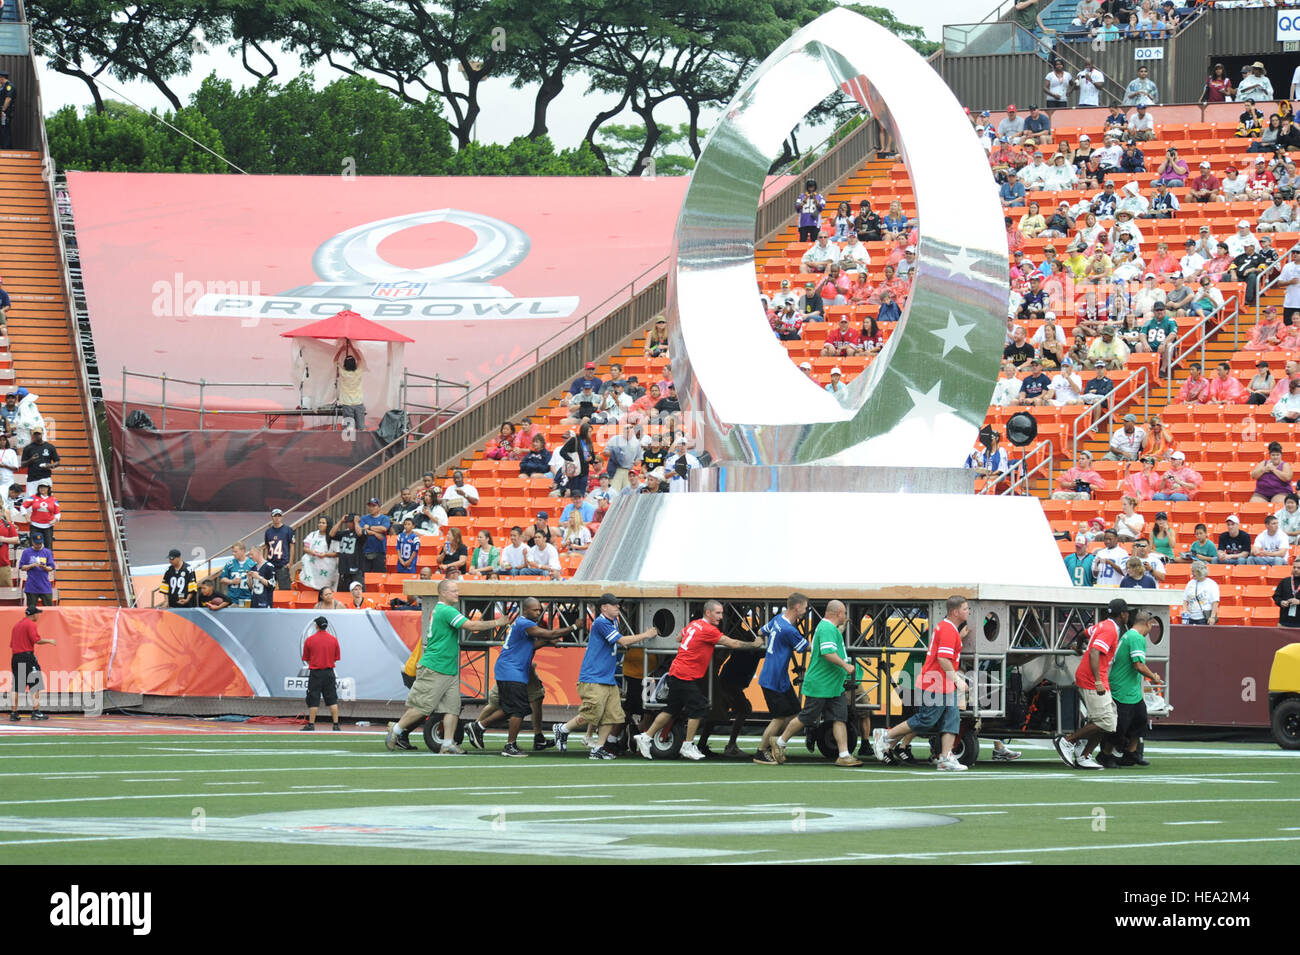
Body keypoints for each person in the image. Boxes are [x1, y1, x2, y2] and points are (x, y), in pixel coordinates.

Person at [385, 579, 508, 753]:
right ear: (443, 593)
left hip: (447, 668)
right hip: (436, 666)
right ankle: (396, 730)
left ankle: (447, 743)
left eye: (457, 590)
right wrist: (498, 622)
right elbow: (471, 625)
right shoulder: (446, 610)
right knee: (422, 707)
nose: (457, 593)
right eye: (453, 591)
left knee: (452, 707)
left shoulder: (443, 610)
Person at [633, 601, 763, 762]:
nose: (721, 617)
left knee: (670, 710)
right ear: (708, 613)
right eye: (718, 613)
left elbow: (678, 638)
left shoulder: (694, 624)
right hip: (685, 674)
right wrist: (754, 644)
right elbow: (733, 643)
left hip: (676, 671)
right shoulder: (709, 630)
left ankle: (646, 737)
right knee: (699, 707)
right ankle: (687, 745)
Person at [870, 595, 971, 772]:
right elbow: (943, 659)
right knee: (926, 719)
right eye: (965, 609)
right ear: (955, 612)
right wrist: (958, 679)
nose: (968, 612)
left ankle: (945, 757)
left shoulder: (948, 628)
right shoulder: (947, 629)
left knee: (951, 720)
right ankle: (885, 735)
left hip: (942, 683)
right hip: (935, 682)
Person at [554, 593, 657, 760]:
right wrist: (646, 635)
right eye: (614, 604)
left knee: (613, 714)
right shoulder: (601, 622)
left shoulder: (613, 621)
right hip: (594, 676)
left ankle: (599, 748)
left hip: (606, 677)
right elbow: (622, 641)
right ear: (604, 607)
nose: (618, 607)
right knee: (592, 712)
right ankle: (563, 729)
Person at [469, 597, 574, 757]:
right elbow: (550, 632)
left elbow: (530, 645)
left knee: (510, 708)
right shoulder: (525, 623)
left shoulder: (521, 623)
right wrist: (574, 626)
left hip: (510, 670)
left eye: (540, 609)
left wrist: (546, 642)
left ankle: (479, 727)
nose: (539, 612)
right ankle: (508, 745)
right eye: (535, 609)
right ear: (525, 610)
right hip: (511, 671)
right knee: (518, 708)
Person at [769, 599, 860, 767]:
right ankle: (779, 742)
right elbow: (827, 653)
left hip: (832, 684)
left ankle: (844, 754)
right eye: (844, 613)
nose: (845, 616)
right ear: (838, 613)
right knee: (807, 716)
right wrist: (846, 665)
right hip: (821, 684)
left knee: (840, 717)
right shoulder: (826, 628)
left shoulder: (827, 628)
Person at [1054, 597, 1127, 770]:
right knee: (1106, 722)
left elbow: (1083, 634)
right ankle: (1067, 741)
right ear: (1123, 614)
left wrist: (1078, 647)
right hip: (1093, 680)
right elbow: (1094, 653)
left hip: (1093, 679)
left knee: (1109, 721)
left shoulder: (1102, 625)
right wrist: (1098, 681)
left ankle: (1084, 755)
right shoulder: (1110, 630)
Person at [1105, 610, 1161, 767]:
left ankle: (1131, 753)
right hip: (1123, 690)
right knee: (1120, 726)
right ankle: (1105, 754)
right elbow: (1138, 665)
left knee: (1140, 720)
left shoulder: (1128, 635)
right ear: (1148, 624)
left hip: (1131, 690)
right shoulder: (1136, 638)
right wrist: (1154, 677)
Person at [9, 606, 54, 721]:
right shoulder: (30, 624)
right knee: (35, 684)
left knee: (16, 686)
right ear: (33, 615)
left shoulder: (17, 625)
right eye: (37, 614)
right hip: (27, 657)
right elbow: (36, 640)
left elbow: (12, 644)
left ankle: (14, 713)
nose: (38, 616)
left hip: (16, 657)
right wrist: (50, 641)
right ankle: (36, 711)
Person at [300, 616, 341, 732]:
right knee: (332, 699)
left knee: (313, 699)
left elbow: (306, 658)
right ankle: (336, 724)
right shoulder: (333, 640)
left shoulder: (310, 640)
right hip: (329, 673)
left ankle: (311, 724)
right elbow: (336, 658)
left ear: (316, 626)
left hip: (316, 673)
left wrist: (315, 662)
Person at [299, 515, 339, 590]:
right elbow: (305, 548)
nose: (320, 524)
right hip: (314, 567)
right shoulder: (313, 534)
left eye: (323, 523)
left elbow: (337, 553)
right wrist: (312, 552)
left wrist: (325, 554)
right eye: (320, 522)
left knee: (326, 589)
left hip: (328, 568)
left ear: (328, 525)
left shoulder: (334, 537)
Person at [19, 532, 54, 609]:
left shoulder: (47, 552)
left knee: (49, 609)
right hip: (31, 585)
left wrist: (44, 567)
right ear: (32, 542)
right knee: (31, 610)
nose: (38, 545)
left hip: (45, 585)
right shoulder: (26, 552)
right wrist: (32, 565)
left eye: (40, 543)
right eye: (36, 543)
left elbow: (51, 567)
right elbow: (22, 567)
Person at [19, 428, 58, 498]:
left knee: (46, 501)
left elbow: (57, 462)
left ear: (42, 434)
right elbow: (22, 465)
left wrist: (50, 465)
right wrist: (31, 460)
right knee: (31, 502)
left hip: (45, 478)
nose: (37, 436)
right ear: (33, 435)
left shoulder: (50, 447)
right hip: (32, 479)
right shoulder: (28, 448)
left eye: (39, 434)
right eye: (35, 434)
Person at [357, 497, 391, 575]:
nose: (371, 508)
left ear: (379, 507)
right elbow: (362, 530)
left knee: (379, 575)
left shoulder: (384, 518)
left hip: (379, 551)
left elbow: (383, 529)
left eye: (374, 506)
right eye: (370, 506)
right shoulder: (364, 518)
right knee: (364, 576)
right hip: (365, 550)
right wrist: (375, 533)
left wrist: (369, 527)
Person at [330, 514, 363, 592]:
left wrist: (356, 522)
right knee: (343, 592)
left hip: (356, 568)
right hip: (344, 568)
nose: (349, 523)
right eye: (347, 522)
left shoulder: (361, 532)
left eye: (351, 521)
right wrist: (341, 521)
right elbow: (331, 534)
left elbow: (360, 534)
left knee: (357, 591)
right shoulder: (344, 533)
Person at [263, 508, 294, 590]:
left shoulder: (288, 530)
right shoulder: (268, 531)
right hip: (270, 563)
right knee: (268, 588)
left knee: (285, 589)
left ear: (282, 517)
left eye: (279, 516)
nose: (277, 518)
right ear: (272, 517)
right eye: (275, 516)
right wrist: (265, 562)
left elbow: (292, 546)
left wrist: (290, 563)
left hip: (283, 563)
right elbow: (267, 547)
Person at [218, 541, 256, 607]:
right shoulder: (230, 564)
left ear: (243, 551)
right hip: (232, 600)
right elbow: (222, 579)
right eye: (233, 552)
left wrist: (250, 579)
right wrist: (232, 581)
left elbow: (255, 584)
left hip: (247, 599)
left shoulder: (252, 564)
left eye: (235, 552)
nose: (233, 554)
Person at [336, 351, 366, 432]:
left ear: (345, 365)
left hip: (347, 403)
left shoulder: (343, 373)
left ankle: (349, 443)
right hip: (359, 402)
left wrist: (341, 349)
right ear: (355, 364)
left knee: (348, 429)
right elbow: (359, 359)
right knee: (361, 428)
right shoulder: (358, 372)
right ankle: (360, 444)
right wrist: (353, 348)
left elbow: (335, 361)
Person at [1183, 560, 1219, 625]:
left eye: (1194, 571)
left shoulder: (1212, 584)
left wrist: (1212, 617)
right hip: (1191, 617)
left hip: (1204, 617)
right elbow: (1185, 599)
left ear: (1199, 572)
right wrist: (1185, 611)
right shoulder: (1190, 583)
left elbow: (1215, 602)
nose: (1192, 573)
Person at [24, 482, 58, 547]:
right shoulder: (33, 497)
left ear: (48, 488)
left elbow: (58, 513)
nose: (42, 488)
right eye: (40, 487)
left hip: (48, 526)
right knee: (33, 545)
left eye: (44, 487)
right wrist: (26, 517)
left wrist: (55, 519)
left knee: (48, 546)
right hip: (35, 525)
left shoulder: (53, 499)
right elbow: (23, 506)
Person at [1271, 561, 1300, 628]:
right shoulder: (1285, 581)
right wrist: (1281, 602)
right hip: (1284, 622)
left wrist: (1299, 602)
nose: (1296, 570)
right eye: (1294, 567)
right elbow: (1276, 596)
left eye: (1299, 568)